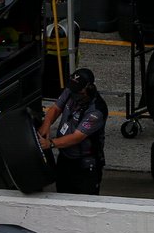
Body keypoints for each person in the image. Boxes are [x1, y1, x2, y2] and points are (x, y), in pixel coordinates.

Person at [39, 67, 108, 195]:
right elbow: (55, 108)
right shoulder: (72, 89)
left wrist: (51, 143)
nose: (73, 93)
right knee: (61, 195)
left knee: (85, 204)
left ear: (89, 89)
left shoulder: (96, 111)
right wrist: (46, 125)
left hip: (85, 165)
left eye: (78, 91)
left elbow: (77, 137)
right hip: (65, 159)